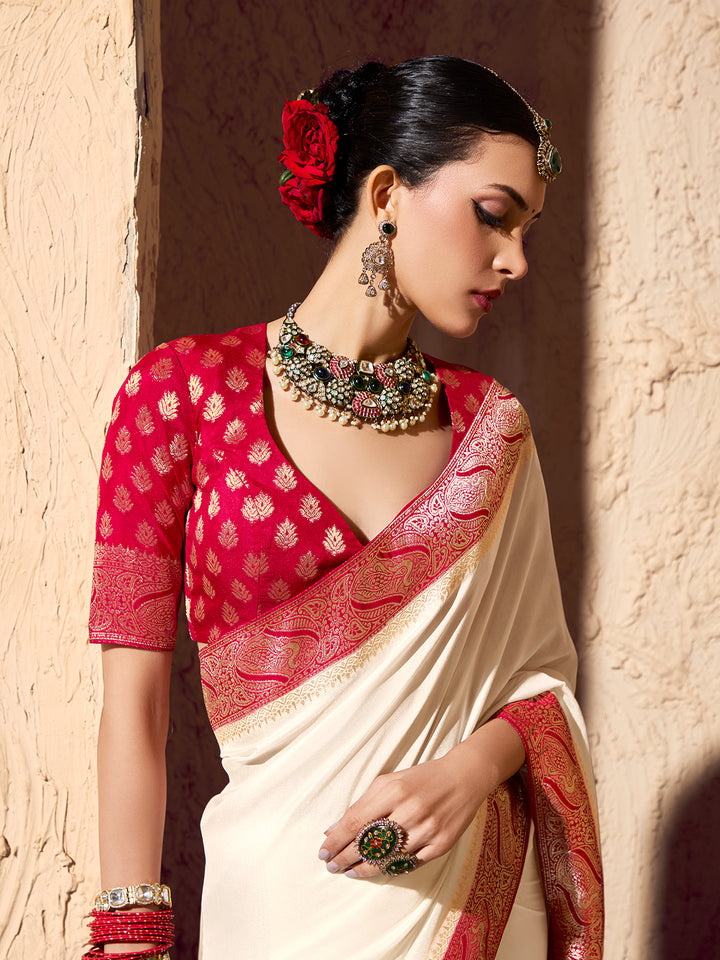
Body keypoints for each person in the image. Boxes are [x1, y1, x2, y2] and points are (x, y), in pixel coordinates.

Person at [85, 56, 603, 960]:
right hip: (275, 906)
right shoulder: (180, 396)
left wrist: (469, 769)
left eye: (525, 232)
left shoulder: (491, 433)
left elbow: (541, 685)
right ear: (388, 192)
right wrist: (130, 938)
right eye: (493, 216)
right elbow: (131, 708)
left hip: (463, 908)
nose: (515, 260)